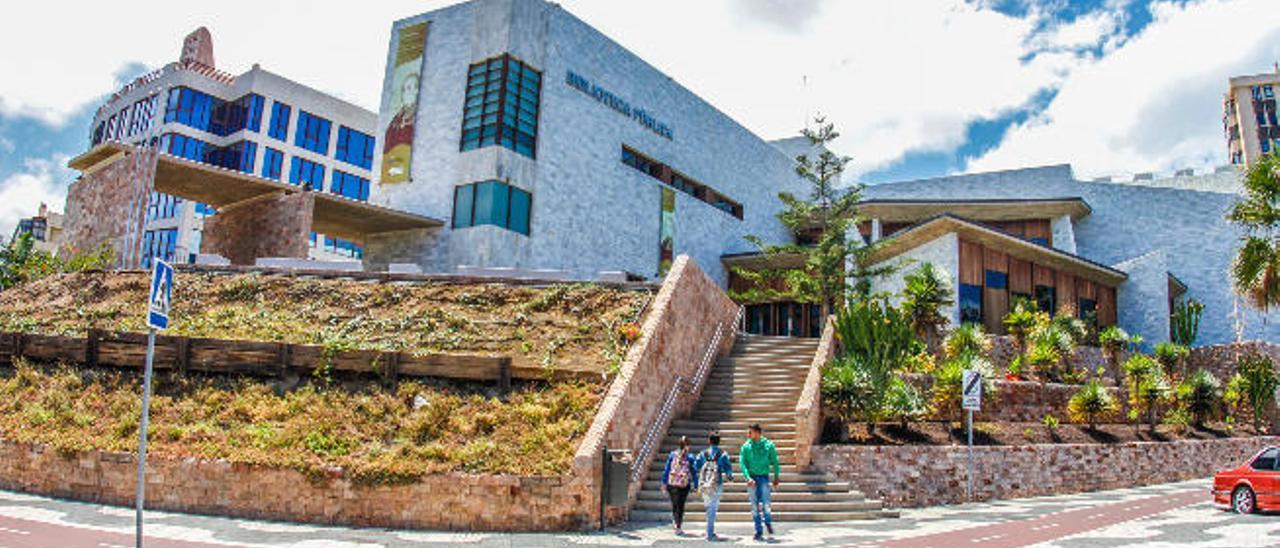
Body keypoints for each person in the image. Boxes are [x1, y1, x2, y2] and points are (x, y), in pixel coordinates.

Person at [740, 423, 780, 541]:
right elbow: (743, 464)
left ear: (757, 432)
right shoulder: (746, 447)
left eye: (750, 432)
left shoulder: (768, 445)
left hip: (764, 478)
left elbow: (775, 462)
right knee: (754, 506)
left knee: (766, 503)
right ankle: (758, 530)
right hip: (752, 479)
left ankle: (767, 520)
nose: (748, 434)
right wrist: (747, 478)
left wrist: (776, 476)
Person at [695, 432, 733, 540]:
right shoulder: (723, 454)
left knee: (708, 507)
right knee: (713, 507)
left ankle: (709, 530)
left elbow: (696, 465)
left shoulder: (703, 453)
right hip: (717, 483)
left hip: (704, 483)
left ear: (709, 441)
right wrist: (730, 477)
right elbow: (728, 469)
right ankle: (710, 533)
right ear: (719, 441)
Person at [660, 435, 698, 535]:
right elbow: (693, 471)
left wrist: (664, 482)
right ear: (688, 445)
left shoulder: (672, 455)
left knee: (674, 504)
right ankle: (678, 525)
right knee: (681, 505)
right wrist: (696, 484)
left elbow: (667, 469)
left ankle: (676, 522)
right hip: (684, 484)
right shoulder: (690, 457)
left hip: (672, 483)